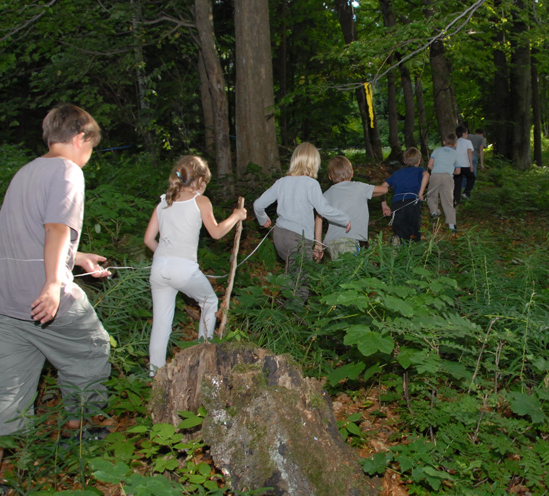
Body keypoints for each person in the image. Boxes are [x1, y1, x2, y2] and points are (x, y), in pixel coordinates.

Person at [0, 104, 112, 496]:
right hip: (41, 296)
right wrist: (53, 283)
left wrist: (77, 258)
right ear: (81, 138)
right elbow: (55, 228)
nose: (89, 155)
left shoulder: (27, 171)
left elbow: (30, 234)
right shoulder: (68, 171)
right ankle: (78, 429)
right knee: (91, 347)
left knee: (1, 392)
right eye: (91, 146)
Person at [143, 156, 247, 376]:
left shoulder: (164, 202)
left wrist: (166, 257)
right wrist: (236, 215)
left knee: (161, 322)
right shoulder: (200, 201)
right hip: (183, 270)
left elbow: (148, 240)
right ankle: (203, 356)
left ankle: (155, 373)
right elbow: (216, 232)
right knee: (210, 302)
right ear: (200, 180)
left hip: (159, 268)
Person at [254, 143, 350, 303]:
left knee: (292, 275)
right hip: (298, 239)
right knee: (301, 281)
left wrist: (263, 219)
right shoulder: (311, 184)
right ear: (314, 163)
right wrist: (344, 219)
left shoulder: (281, 182)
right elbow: (323, 209)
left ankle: (284, 306)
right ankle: (294, 312)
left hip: (280, 236)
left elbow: (258, 205)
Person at [315, 155, 388, 260]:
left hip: (331, 242)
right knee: (350, 268)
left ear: (330, 176)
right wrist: (387, 184)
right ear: (352, 173)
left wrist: (318, 244)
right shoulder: (359, 187)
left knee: (339, 268)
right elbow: (383, 190)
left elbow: (318, 218)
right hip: (349, 241)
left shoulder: (326, 194)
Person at [381, 147, 430, 243]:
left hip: (397, 204)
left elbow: (383, 186)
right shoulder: (419, 171)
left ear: (404, 161)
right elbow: (426, 175)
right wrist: (421, 192)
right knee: (413, 229)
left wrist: (384, 204)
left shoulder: (396, 174)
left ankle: (397, 239)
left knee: (399, 228)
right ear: (419, 160)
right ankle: (412, 244)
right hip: (412, 203)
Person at [427, 132, 462, 232]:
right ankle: (451, 224)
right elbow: (458, 171)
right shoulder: (456, 154)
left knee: (431, 195)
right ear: (455, 144)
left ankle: (434, 211)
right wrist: (451, 172)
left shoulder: (437, 150)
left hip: (435, 175)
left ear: (444, 142)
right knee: (448, 200)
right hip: (447, 177)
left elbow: (429, 165)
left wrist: (436, 170)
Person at [453, 125, 476, 203]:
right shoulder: (468, 142)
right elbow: (469, 152)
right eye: (466, 133)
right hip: (466, 165)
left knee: (457, 183)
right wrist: (471, 164)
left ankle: (456, 200)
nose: (467, 135)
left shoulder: (455, 142)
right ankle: (466, 192)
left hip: (457, 166)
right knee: (472, 178)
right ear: (463, 133)